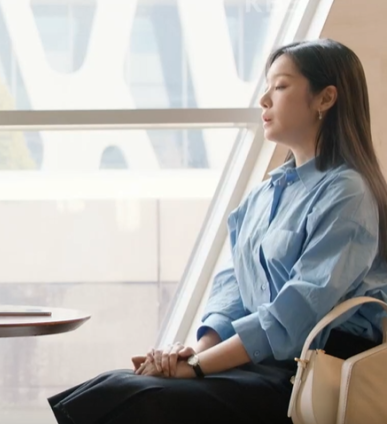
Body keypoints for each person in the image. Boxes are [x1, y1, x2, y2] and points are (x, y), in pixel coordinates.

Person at [47, 38, 387, 424]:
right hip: (254, 365)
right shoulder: (262, 196)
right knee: (114, 385)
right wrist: (193, 354)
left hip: (306, 377)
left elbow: (297, 310)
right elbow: (233, 291)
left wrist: (197, 367)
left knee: (134, 398)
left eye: (279, 86)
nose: (264, 100)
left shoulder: (348, 193)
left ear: (325, 98)